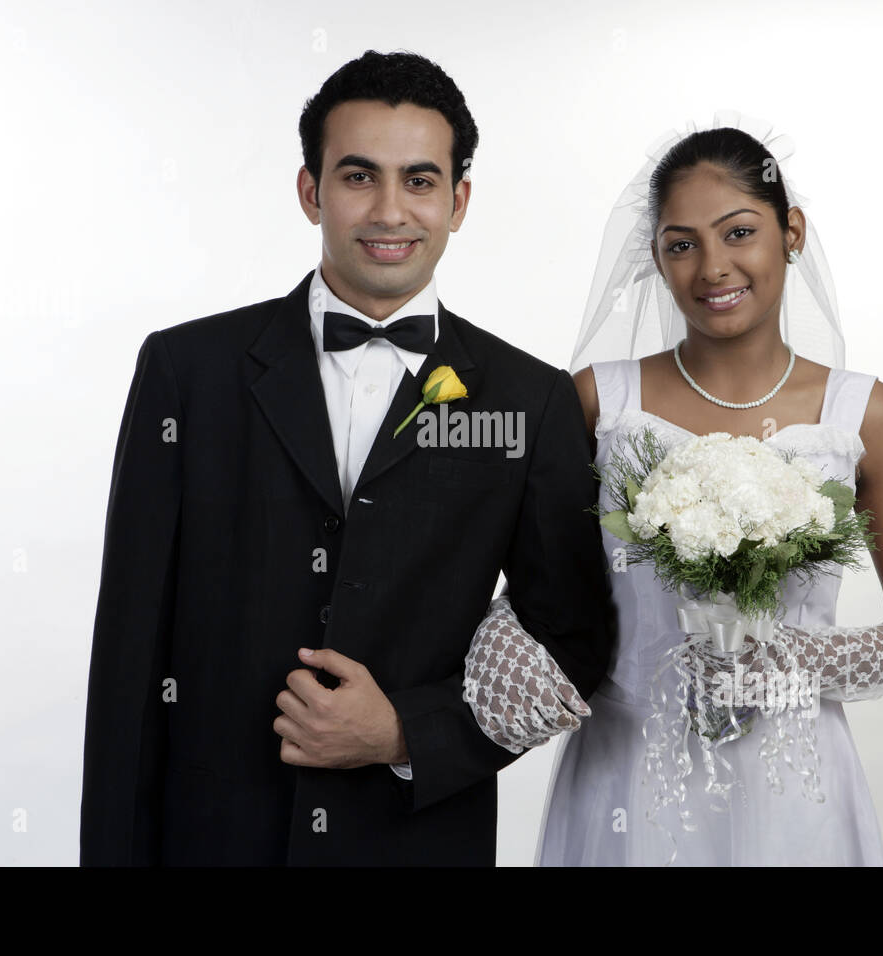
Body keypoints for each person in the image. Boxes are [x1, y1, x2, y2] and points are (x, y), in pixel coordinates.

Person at [78, 49, 614, 866]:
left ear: (459, 200)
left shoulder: (529, 401)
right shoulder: (187, 372)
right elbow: (128, 649)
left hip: (417, 836)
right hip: (212, 836)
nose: (390, 210)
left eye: (421, 180)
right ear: (310, 190)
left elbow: (572, 637)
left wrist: (404, 730)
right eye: (359, 176)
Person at [461, 113, 883, 865]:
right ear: (655, 260)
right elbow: (534, 582)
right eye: (681, 245)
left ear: (791, 232)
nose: (713, 267)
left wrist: (800, 662)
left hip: (796, 780)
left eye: (739, 232)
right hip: (626, 769)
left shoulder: (864, 414)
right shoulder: (598, 401)